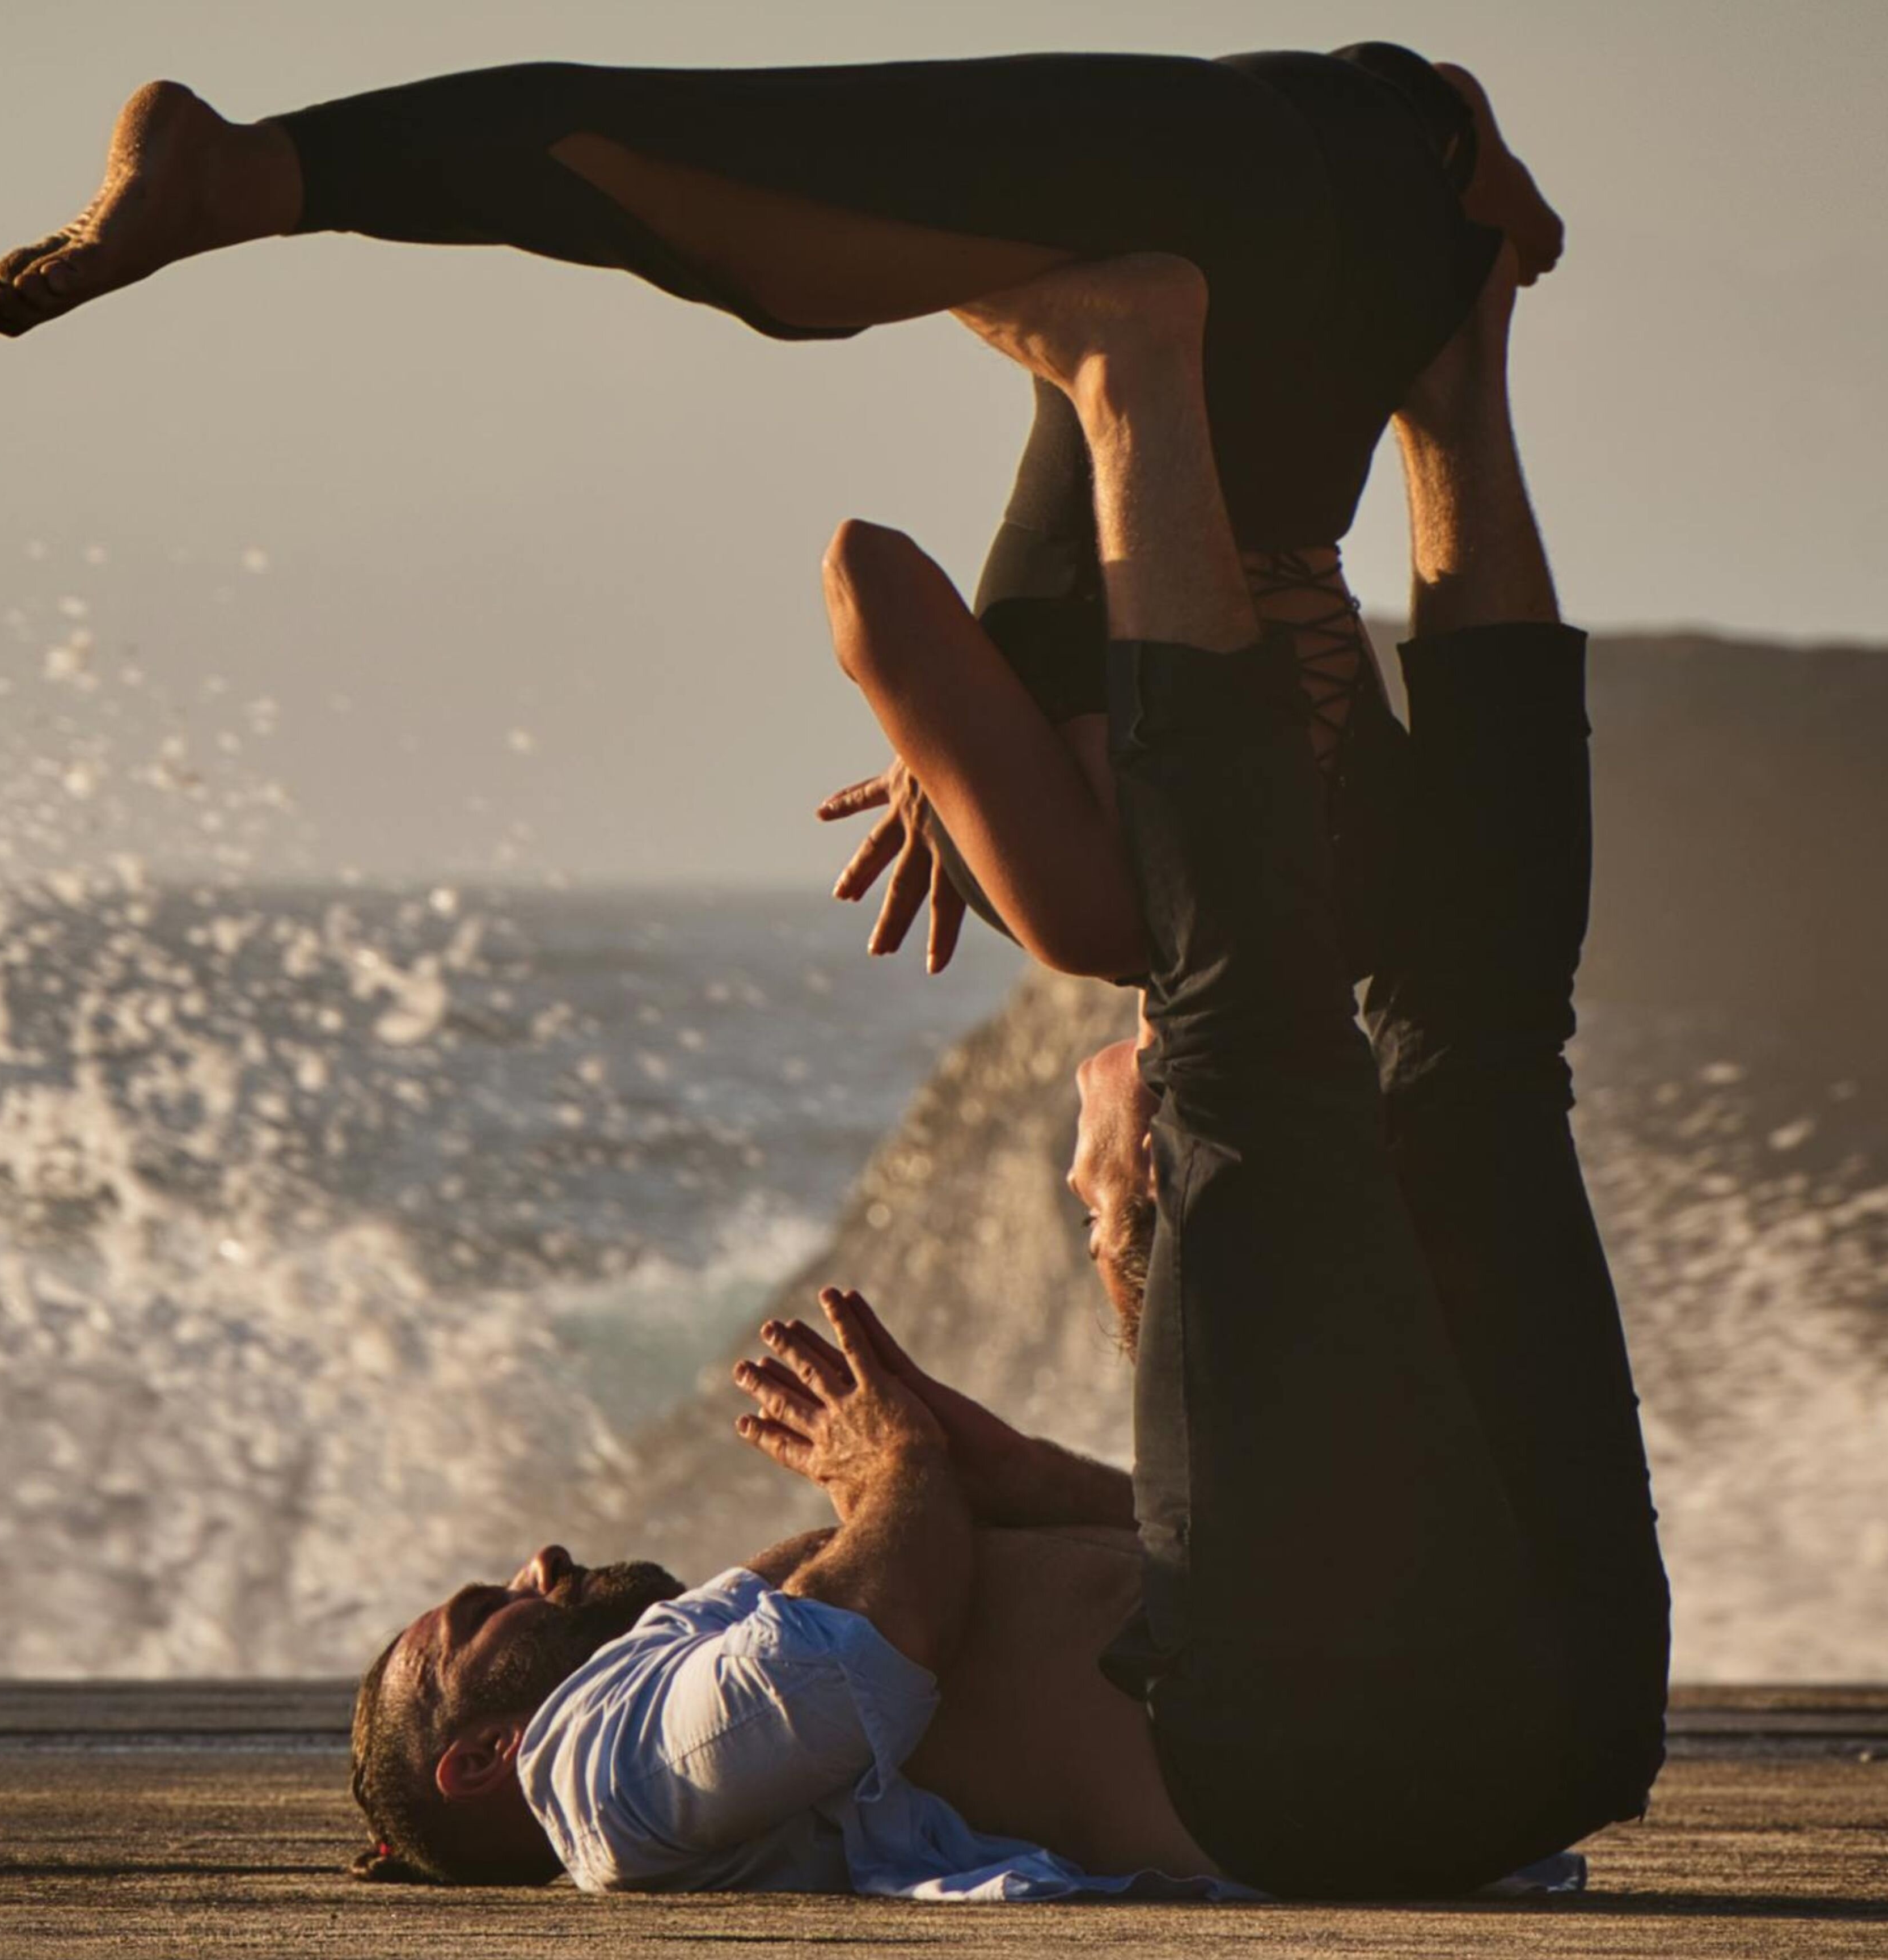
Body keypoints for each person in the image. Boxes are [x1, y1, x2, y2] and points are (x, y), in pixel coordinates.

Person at [341, 241, 1671, 1899]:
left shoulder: (710, 1664)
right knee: (1231, 1031)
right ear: (472, 1757)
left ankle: (1457, 401)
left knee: (1477, 1040)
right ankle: (1128, 390)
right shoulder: (599, 1778)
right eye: (474, 1623)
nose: (525, 1567)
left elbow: (1195, 1544)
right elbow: (852, 1672)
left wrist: (1003, 1476)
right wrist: (890, 1472)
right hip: (1326, 1767)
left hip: (1536, 1732)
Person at [0, 43, 1563, 970]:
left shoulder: (1409, 897)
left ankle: (256, 177)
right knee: (762, 249)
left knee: (778, 242)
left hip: (1375, 211)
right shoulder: (1101, 918)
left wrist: (992, 730)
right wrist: (955, 735)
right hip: (1229, 231)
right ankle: (249, 179)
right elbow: (869, 578)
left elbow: (1426, 653)